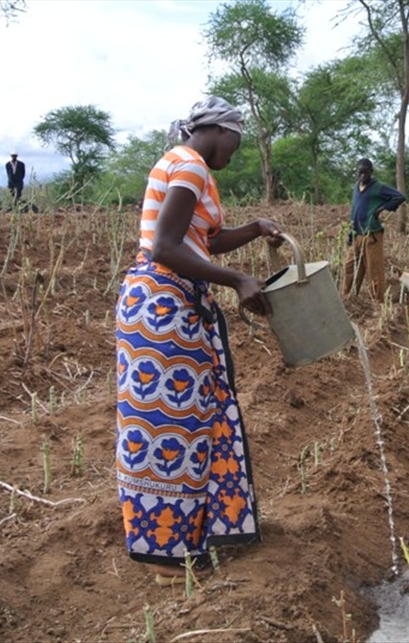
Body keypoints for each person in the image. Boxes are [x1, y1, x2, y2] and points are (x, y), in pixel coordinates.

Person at [114, 96, 283, 585]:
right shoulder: (189, 167)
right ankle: (165, 552)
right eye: (237, 138)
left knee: (188, 420)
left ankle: (180, 538)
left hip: (167, 305)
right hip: (163, 308)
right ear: (219, 130)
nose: (236, 150)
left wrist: (253, 229)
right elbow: (165, 247)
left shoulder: (184, 165)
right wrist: (237, 281)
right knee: (172, 424)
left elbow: (198, 240)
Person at [341, 157, 406, 300]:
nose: (363, 175)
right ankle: (348, 298)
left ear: (371, 172)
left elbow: (399, 197)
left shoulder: (378, 186)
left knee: (374, 270)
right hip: (357, 233)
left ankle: (378, 302)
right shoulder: (356, 187)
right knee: (350, 267)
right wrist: (350, 233)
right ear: (356, 172)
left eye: (366, 173)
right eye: (361, 172)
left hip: (372, 235)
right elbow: (354, 210)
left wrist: (380, 209)